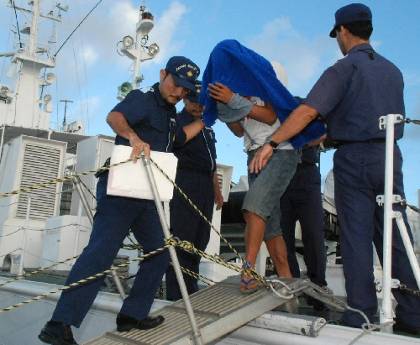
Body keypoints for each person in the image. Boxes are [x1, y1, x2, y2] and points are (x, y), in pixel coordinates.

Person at [250, 3, 420, 334]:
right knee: (395, 234)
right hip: (389, 156)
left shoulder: (342, 69)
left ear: (343, 31)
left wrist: (272, 143)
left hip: (354, 161)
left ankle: (361, 315)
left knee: (356, 237)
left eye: (337, 35)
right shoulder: (393, 71)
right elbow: (363, 116)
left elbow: (307, 112)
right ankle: (413, 315)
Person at [39, 56, 202, 345]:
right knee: (102, 251)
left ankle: (132, 315)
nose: (179, 93)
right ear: (163, 74)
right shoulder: (143, 99)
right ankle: (58, 324)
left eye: (185, 90)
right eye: (176, 84)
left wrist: (204, 120)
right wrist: (133, 138)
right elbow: (114, 117)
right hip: (120, 188)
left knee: (160, 251)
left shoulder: (171, 114)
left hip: (146, 193)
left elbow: (178, 139)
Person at [208, 82, 299, 293]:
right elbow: (239, 131)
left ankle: (247, 270)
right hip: (253, 156)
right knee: (271, 229)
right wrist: (225, 108)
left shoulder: (265, 88)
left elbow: (270, 116)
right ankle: (289, 289)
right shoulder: (238, 94)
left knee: (253, 206)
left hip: (279, 152)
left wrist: (233, 99)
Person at [166, 80, 224, 300]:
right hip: (185, 181)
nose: (198, 106)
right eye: (195, 102)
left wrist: (217, 191)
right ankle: (176, 294)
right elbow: (175, 144)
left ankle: (190, 290)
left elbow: (212, 162)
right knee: (183, 238)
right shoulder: (179, 122)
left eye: (202, 103)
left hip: (205, 186)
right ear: (186, 99)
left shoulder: (206, 127)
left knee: (200, 239)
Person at [280, 145, 328, 310]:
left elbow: (322, 133)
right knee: (283, 236)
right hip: (279, 173)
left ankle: (318, 287)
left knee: (314, 234)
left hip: (307, 172)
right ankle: (291, 287)